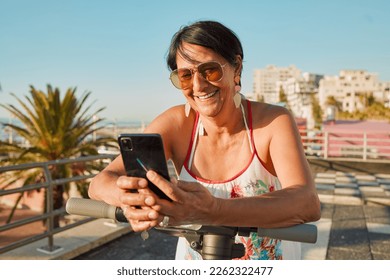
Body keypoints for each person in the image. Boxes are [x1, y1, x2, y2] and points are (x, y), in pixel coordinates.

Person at [88, 20, 321, 260]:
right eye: (185, 76)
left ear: (236, 67)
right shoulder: (176, 123)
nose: (198, 85)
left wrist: (213, 210)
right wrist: (134, 200)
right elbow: (100, 183)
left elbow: (307, 202)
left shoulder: (273, 121)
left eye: (209, 70)